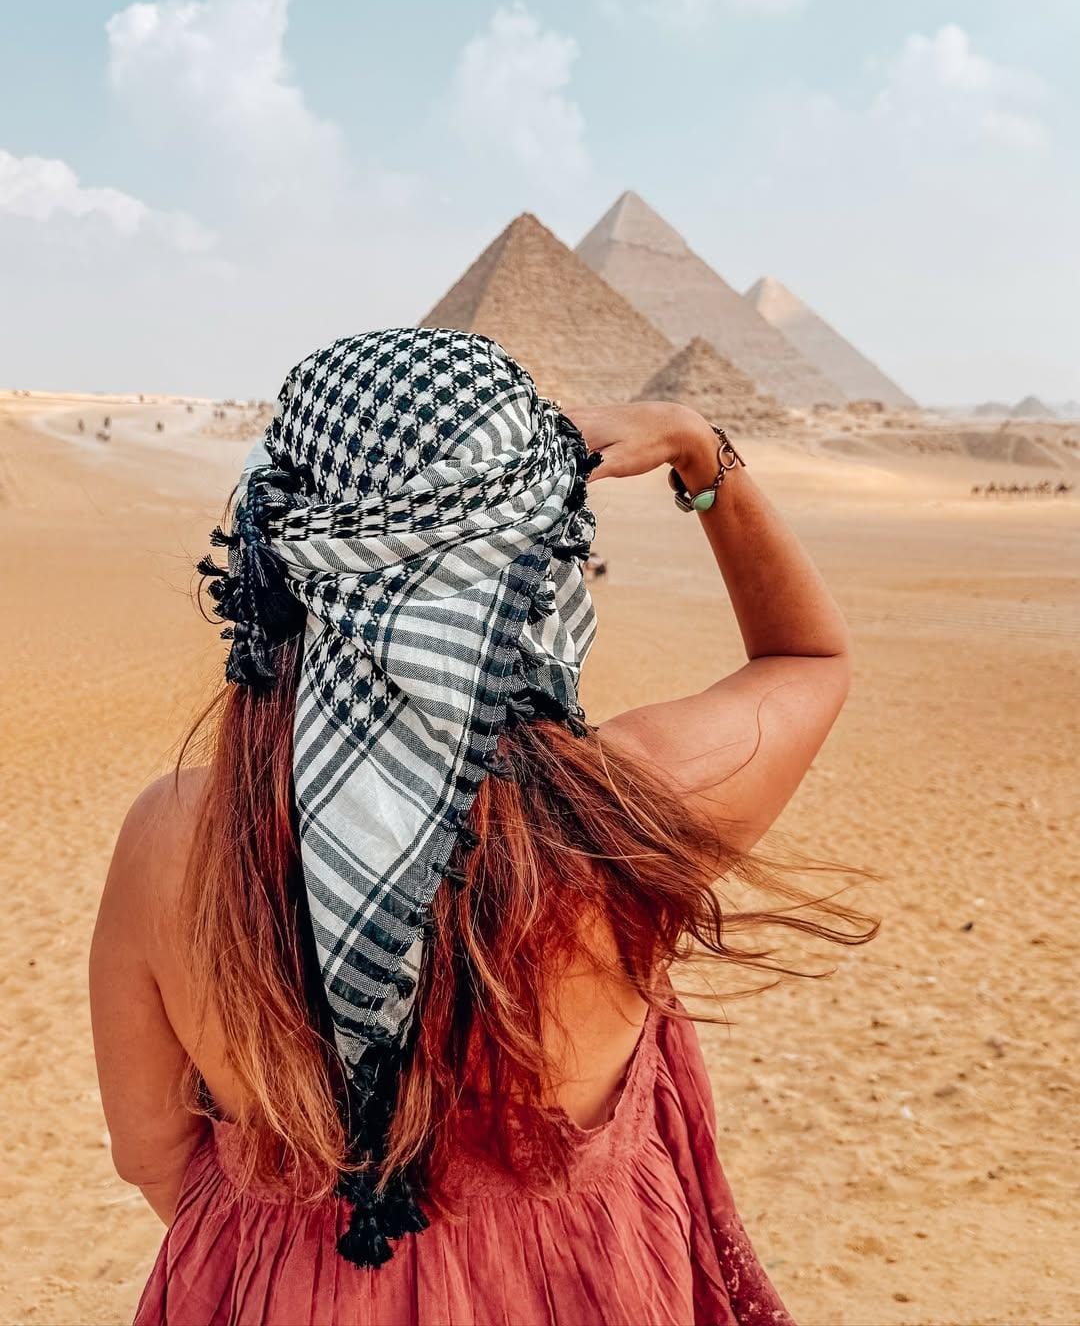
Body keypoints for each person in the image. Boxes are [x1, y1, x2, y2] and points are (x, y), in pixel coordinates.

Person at [91, 329, 875, 1326]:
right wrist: (701, 453)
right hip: (589, 1288)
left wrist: (292, 1254)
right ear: (537, 565)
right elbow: (808, 659)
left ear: (273, 561)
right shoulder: (629, 805)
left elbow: (150, 1152)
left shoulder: (174, 837)